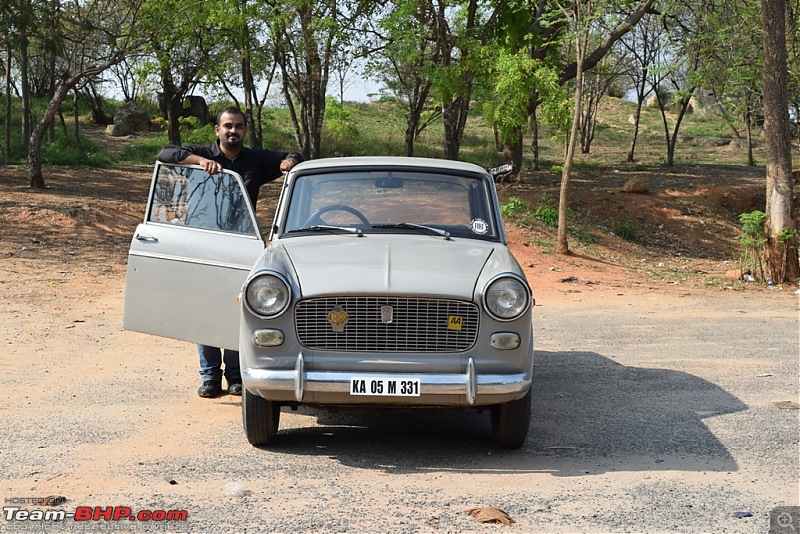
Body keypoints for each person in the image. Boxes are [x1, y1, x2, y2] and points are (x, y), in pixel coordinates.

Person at [158, 106, 303, 398]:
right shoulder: (203, 153)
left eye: (238, 126)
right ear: (217, 130)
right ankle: (210, 377)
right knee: (206, 307)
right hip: (204, 241)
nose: (232, 131)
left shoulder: (257, 160)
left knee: (239, 308)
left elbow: (296, 157)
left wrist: (288, 162)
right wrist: (200, 162)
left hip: (242, 242)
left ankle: (236, 376)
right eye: (227, 126)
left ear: (244, 130)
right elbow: (165, 154)